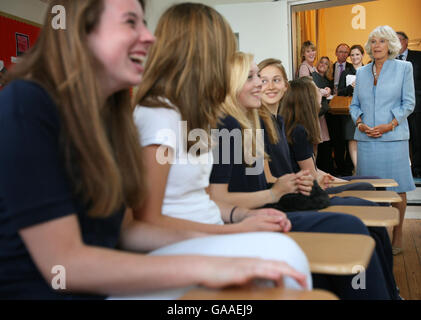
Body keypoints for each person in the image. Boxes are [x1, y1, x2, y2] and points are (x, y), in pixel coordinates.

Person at [0, 0, 308, 300]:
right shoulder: (27, 103)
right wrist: (203, 266)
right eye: (130, 22)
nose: (148, 37)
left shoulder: (111, 115)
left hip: (106, 284)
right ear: (81, 29)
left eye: (144, 24)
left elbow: (129, 230)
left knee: (281, 256)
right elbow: (64, 264)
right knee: (279, 262)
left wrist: (232, 233)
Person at [209, 52, 394, 300]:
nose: (261, 85)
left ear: (286, 86)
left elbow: (260, 183)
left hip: (271, 209)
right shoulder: (229, 127)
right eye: (253, 77)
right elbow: (225, 197)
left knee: (355, 231)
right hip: (263, 216)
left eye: (265, 78)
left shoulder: (250, 124)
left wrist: (286, 185)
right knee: (352, 228)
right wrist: (279, 190)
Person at [260, 61, 399, 300]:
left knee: (369, 225)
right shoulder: (257, 127)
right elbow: (271, 181)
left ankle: (389, 291)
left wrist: (306, 181)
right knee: (357, 227)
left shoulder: (279, 124)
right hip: (287, 205)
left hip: (296, 199)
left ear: (285, 87)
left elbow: (293, 176)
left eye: (276, 80)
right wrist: (304, 182)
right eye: (261, 80)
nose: (269, 86)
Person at [350, 25, 416, 255]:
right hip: (367, 140)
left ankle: (397, 236)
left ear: (391, 45)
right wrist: (359, 123)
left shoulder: (404, 68)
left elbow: (408, 103)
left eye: (381, 41)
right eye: (373, 42)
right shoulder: (361, 72)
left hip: (394, 138)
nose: (376, 46)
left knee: (397, 190)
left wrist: (390, 124)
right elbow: (354, 105)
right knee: (371, 190)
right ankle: (377, 236)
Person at [396, 31, 421, 178]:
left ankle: (417, 170)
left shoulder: (418, 57)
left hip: (416, 106)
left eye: (399, 40)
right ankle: (402, 171)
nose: (396, 43)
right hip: (396, 108)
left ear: (406, 41)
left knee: (417, 139)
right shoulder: (389, 58)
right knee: (400, 140)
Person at [337, 44, 365, 170]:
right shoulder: (345, 73)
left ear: (363, 55)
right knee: (352, 138)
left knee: (365, 138)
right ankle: (358, 169)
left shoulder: (369, 70)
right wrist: (351, 87)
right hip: (348, 111)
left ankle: (365, 168)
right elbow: (340, 92)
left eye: (357, 54)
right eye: (352, 55)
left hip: (366, 110)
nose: (354, 57)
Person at [329, 43, 354, 176]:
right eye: (341, 51)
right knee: (336, 139)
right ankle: (339, 167)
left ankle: (348, 169)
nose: (343, 54)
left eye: (346, 52)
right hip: (332, 108)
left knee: (349, 139)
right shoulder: (330, 67)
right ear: (336, 53)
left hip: (347, 108)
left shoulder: (352, 68)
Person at [312, 56, 334, 173]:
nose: (323, 65)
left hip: (323, 114)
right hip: (315, 113)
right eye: (321, 62)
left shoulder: (327, 80)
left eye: (326, 64)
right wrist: (325, 92)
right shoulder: (312, 75)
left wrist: (328, 91)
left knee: (322, 141)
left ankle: (317, 169)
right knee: (316, 141)